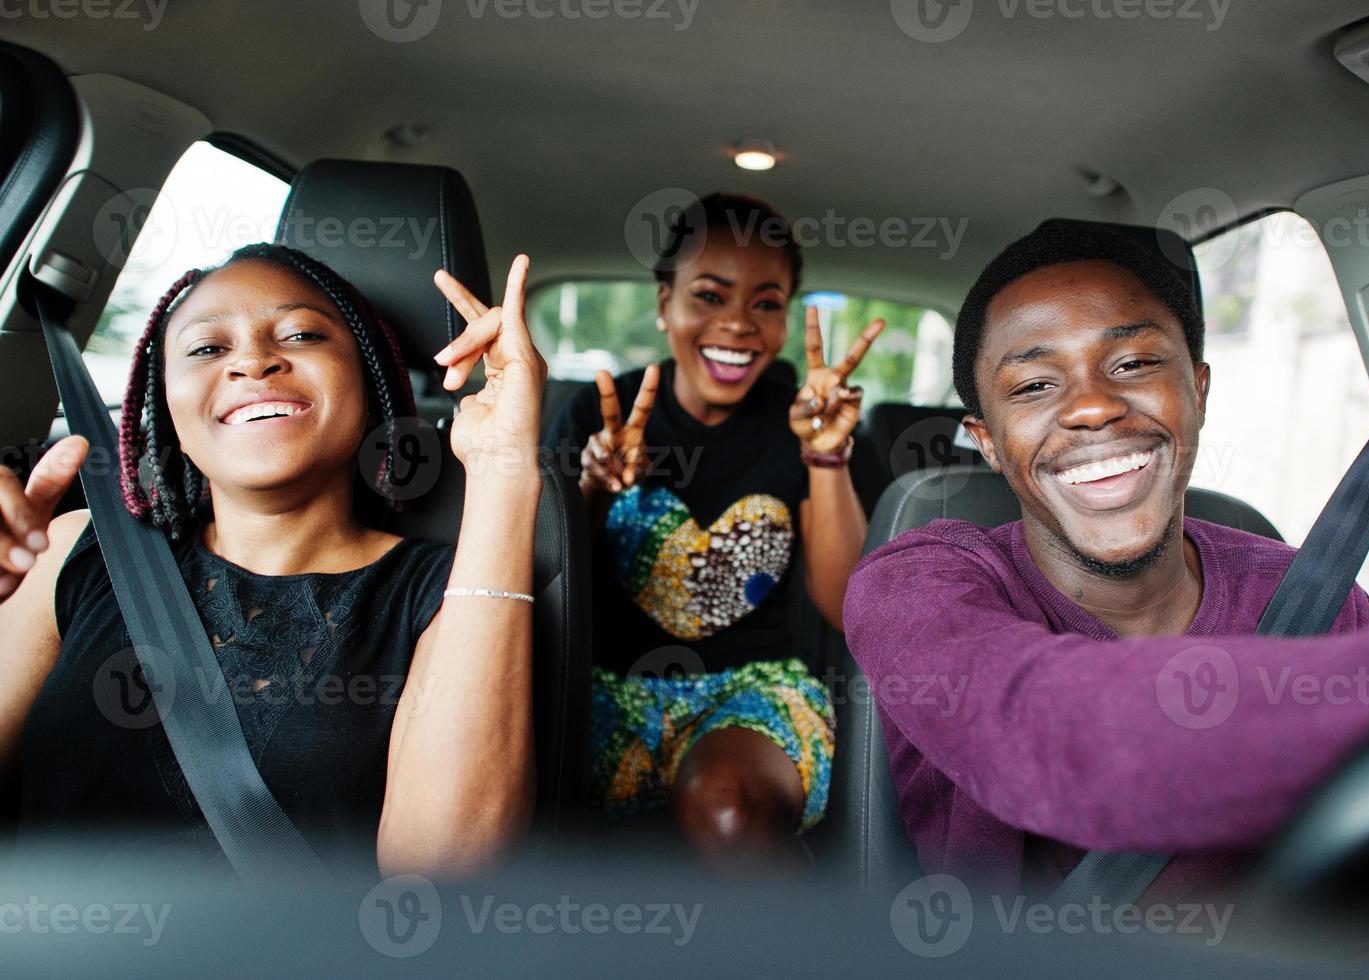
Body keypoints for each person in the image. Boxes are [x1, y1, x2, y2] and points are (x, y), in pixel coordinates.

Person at [842, 221, 1369, 898]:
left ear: (1197, 391)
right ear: (987, 442)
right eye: (1031, 386)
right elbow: (1045, 734)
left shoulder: (1316, 597)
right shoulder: (915, 584)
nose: (1090, 406)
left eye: (1133, 364)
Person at [0, 243, 546, 877]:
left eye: (302, 335)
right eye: (208, 349)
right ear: (166, 408)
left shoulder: (443, 593)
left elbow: (447, 874)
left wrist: (503, 466)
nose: (255, 361)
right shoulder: (71, 549)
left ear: (367, 385)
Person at [550, 193, 884, 872]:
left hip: (748, 692)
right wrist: (588, 489)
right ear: (663, 302)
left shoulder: (804, 423)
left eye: (765, 303)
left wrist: (824, 455)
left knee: (728, 808)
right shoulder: (597, 411)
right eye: (708, 295)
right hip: (595, 686)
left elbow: (848, 609)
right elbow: (538, 585)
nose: (737, 324)